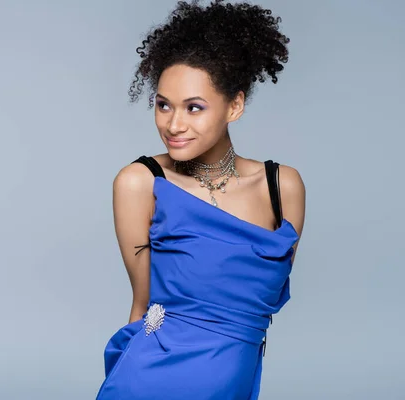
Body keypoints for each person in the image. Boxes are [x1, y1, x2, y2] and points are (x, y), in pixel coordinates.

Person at [95, 1, 306, 398]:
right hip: (150, 378)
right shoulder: (139, 183)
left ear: (235, 105)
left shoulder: (282, 188)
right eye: (163, 105)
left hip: (233, 383)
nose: (173, 124)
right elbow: (142, 304)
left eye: (194, 108)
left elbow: (249, 310)